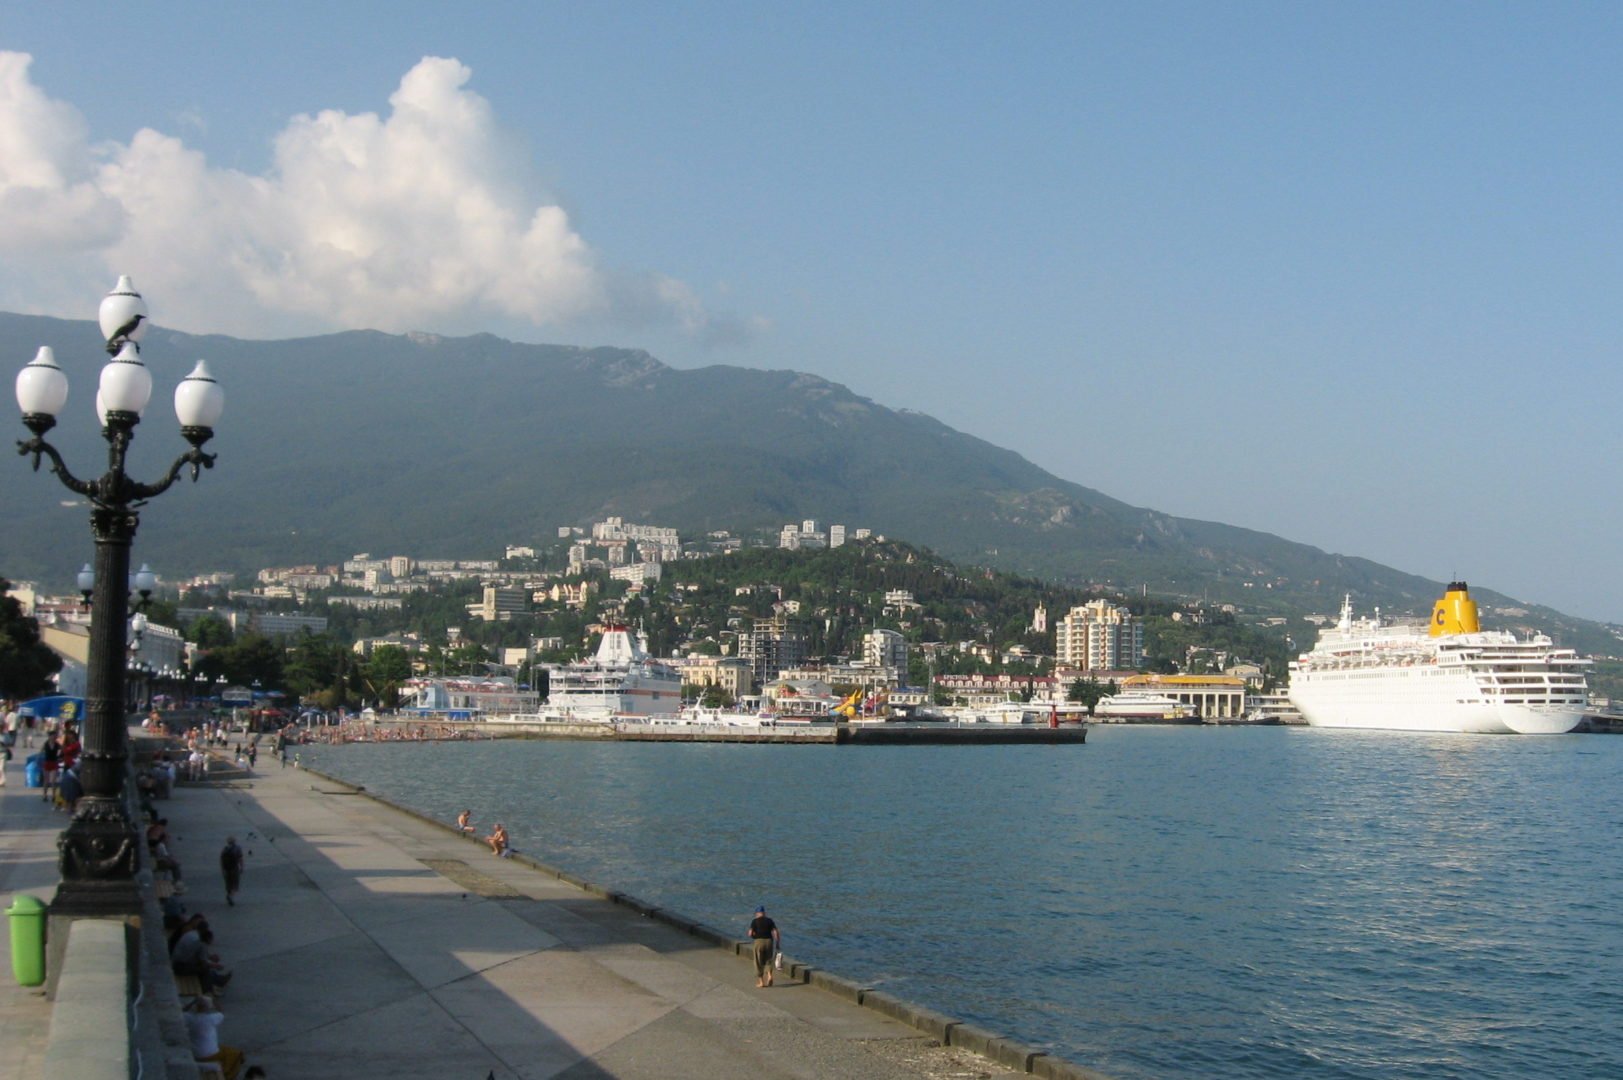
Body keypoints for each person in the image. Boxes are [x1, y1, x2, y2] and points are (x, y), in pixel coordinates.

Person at [183, 995, 246, 1080]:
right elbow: (221, 1012)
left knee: (223, 1048)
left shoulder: (189, 1018)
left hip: (195, 1053)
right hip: (210, 1055)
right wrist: (214, 1001)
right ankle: (228, 1076)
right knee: (236, 1054)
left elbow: (181, 1012)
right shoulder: (211, 1019)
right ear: (208, 1008)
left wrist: (193, 1002)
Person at [747, 906, 781, 988]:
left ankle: (761, 982)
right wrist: (777, 943)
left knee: (758, 961)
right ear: (764, 913)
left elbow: (750, 933)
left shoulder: (754, 921)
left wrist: (754, 936)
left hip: (758, 941)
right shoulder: (769, 920)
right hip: (769, 941)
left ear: (757, 913)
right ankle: (769, 975)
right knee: (768, 960)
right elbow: (775, 932)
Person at [221, 836, 245, 906]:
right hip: (234, 868)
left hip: (226, 869)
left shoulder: (225, 849)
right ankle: (231, 896)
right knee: (235, 884)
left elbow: (221, 860)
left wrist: (222, 869)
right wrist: (242, 867)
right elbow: (240, 858)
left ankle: (229, 894)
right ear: (235, 841)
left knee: (228, 883)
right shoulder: (238, 848)